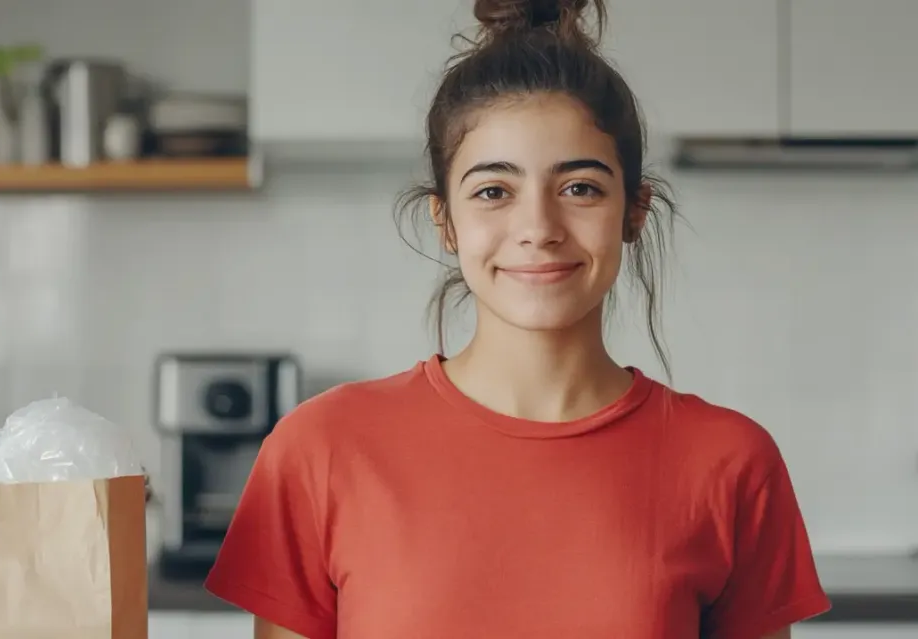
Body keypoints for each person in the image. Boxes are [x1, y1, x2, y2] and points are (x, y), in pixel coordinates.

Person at [204, 0, 832, 636]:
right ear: (444, 220)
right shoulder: (320, 450)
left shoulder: (732, 463)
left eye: (580, 187)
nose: (538, 229)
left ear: (634, 211)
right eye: (493, 192)